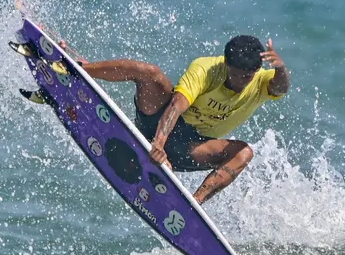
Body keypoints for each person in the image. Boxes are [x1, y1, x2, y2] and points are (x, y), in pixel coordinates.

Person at [78, 35, 289, 205]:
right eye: (239, 75)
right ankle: (79, 69)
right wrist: (158, 144)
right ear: (226, 64)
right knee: (148, 72)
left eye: (249, 76)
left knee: (244, 152)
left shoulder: (261, 81)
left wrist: (280, 68)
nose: (244, 81)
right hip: (157, 123)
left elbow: (280, 88)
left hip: (190, 147)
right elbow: (176, 105)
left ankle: (193, 205)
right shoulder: (206, 69)